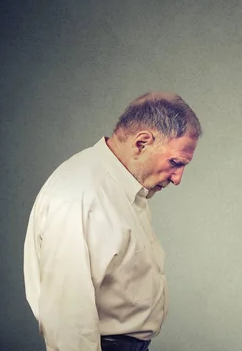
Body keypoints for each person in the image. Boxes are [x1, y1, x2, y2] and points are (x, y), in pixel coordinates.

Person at [24, 92, 202, 351]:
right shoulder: (82, 195)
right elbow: (67, 321)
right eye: (175, 162)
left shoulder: (125, 187)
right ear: (142, 143)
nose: (178, 178)